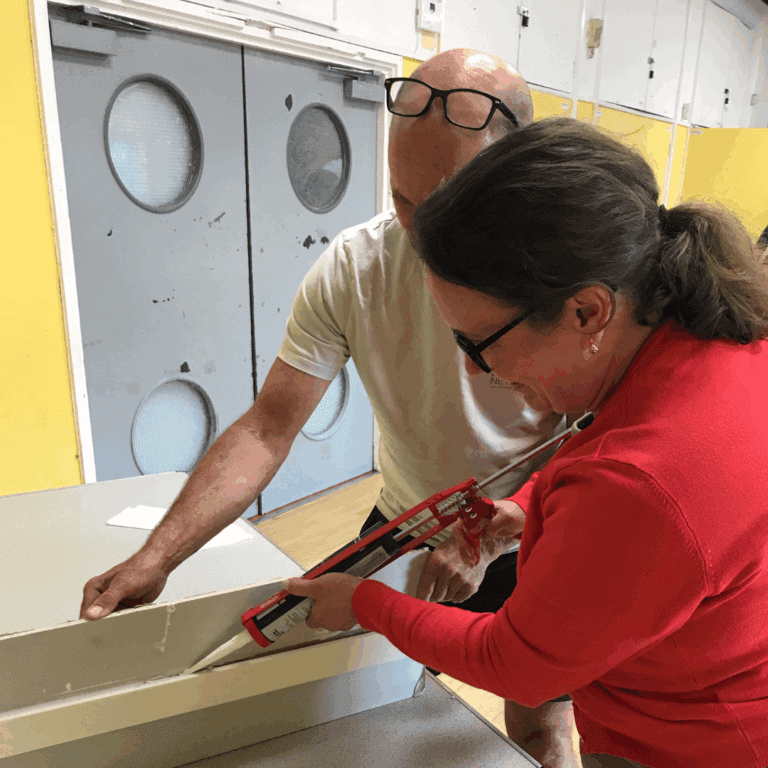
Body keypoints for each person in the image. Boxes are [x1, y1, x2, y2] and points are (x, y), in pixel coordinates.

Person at [79, 51, 582, 766]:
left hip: (537, 531)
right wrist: (158, 557)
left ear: (512, 177)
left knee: (541, 728)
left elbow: (599, 438)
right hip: (406, 529)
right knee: (369, 710)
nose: (419, 233)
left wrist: (504, 530)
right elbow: (268, 427)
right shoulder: (355, 267)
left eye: (444, 205)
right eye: (402, 198)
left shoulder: (566, 274)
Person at [286, 117, 768, 768]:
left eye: (479, 341)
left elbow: (517, 665)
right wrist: (528, 506)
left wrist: (363, 602)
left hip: (685, 744)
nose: (473, 370)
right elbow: (622, 456)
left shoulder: (639, 479)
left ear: (587, 311)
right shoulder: (713, 344)